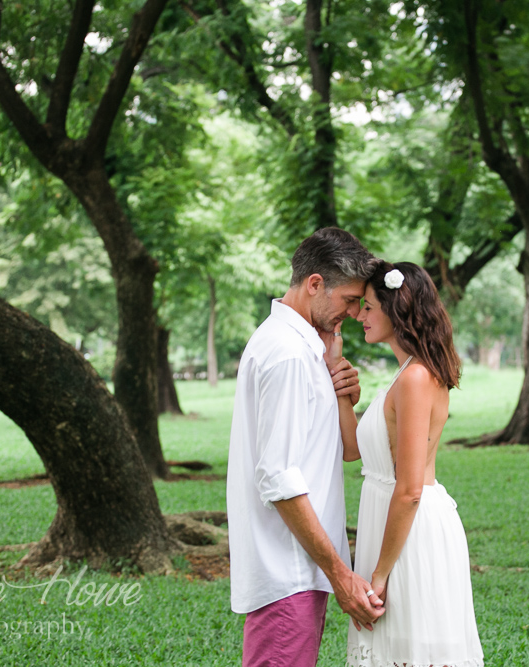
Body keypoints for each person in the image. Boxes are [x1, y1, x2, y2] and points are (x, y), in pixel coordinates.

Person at [227, 227, 385, 667]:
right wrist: (341, 575)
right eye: (350, 299)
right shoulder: (289, 355)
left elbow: (340, 452)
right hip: (288, 573)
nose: (355, 313)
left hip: (297, 573)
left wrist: (336, 379)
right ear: (315, 284)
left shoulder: (303, 348)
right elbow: (277, 477)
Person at [338, 261, 484, 667]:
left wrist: (381, 573)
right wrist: (342, 391)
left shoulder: (417, 378)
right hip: (385, 524)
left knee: (410, 650)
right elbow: (353, 451)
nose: (358, 315)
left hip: (410, 536)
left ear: (396, 309)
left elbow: (410, 488)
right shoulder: (402, 373)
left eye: (368, 307)